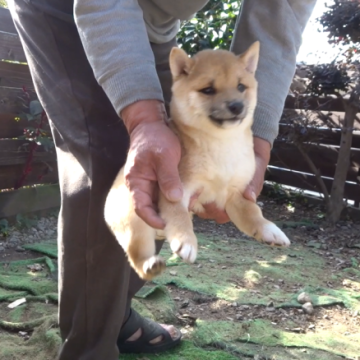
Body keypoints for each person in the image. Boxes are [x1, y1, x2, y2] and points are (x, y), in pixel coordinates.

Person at [7, 0, 317, 359]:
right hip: (71, 7)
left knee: (170, 166)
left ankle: (113, 314)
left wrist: (257, 139)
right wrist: (142, 119)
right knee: (111, 163)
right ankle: (89, 348)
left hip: (152, 23)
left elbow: (280, 16)